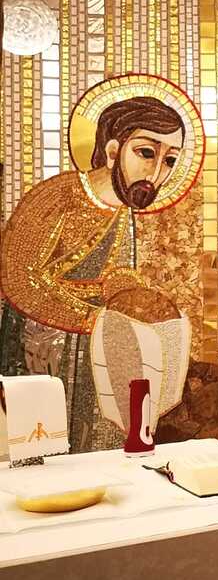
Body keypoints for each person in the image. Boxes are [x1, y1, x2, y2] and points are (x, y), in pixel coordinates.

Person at [0, 89, 198, 452]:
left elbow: (117, 273)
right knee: (45, 447)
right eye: (146, 153)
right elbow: (19, 277)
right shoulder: (56, 195)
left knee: (100, 443)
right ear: (112, 150)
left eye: (170, 160)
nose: (157, 172)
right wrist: (92, 318)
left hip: (98, 347)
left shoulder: (123, 210)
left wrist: (139, 302)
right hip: (43, 347)